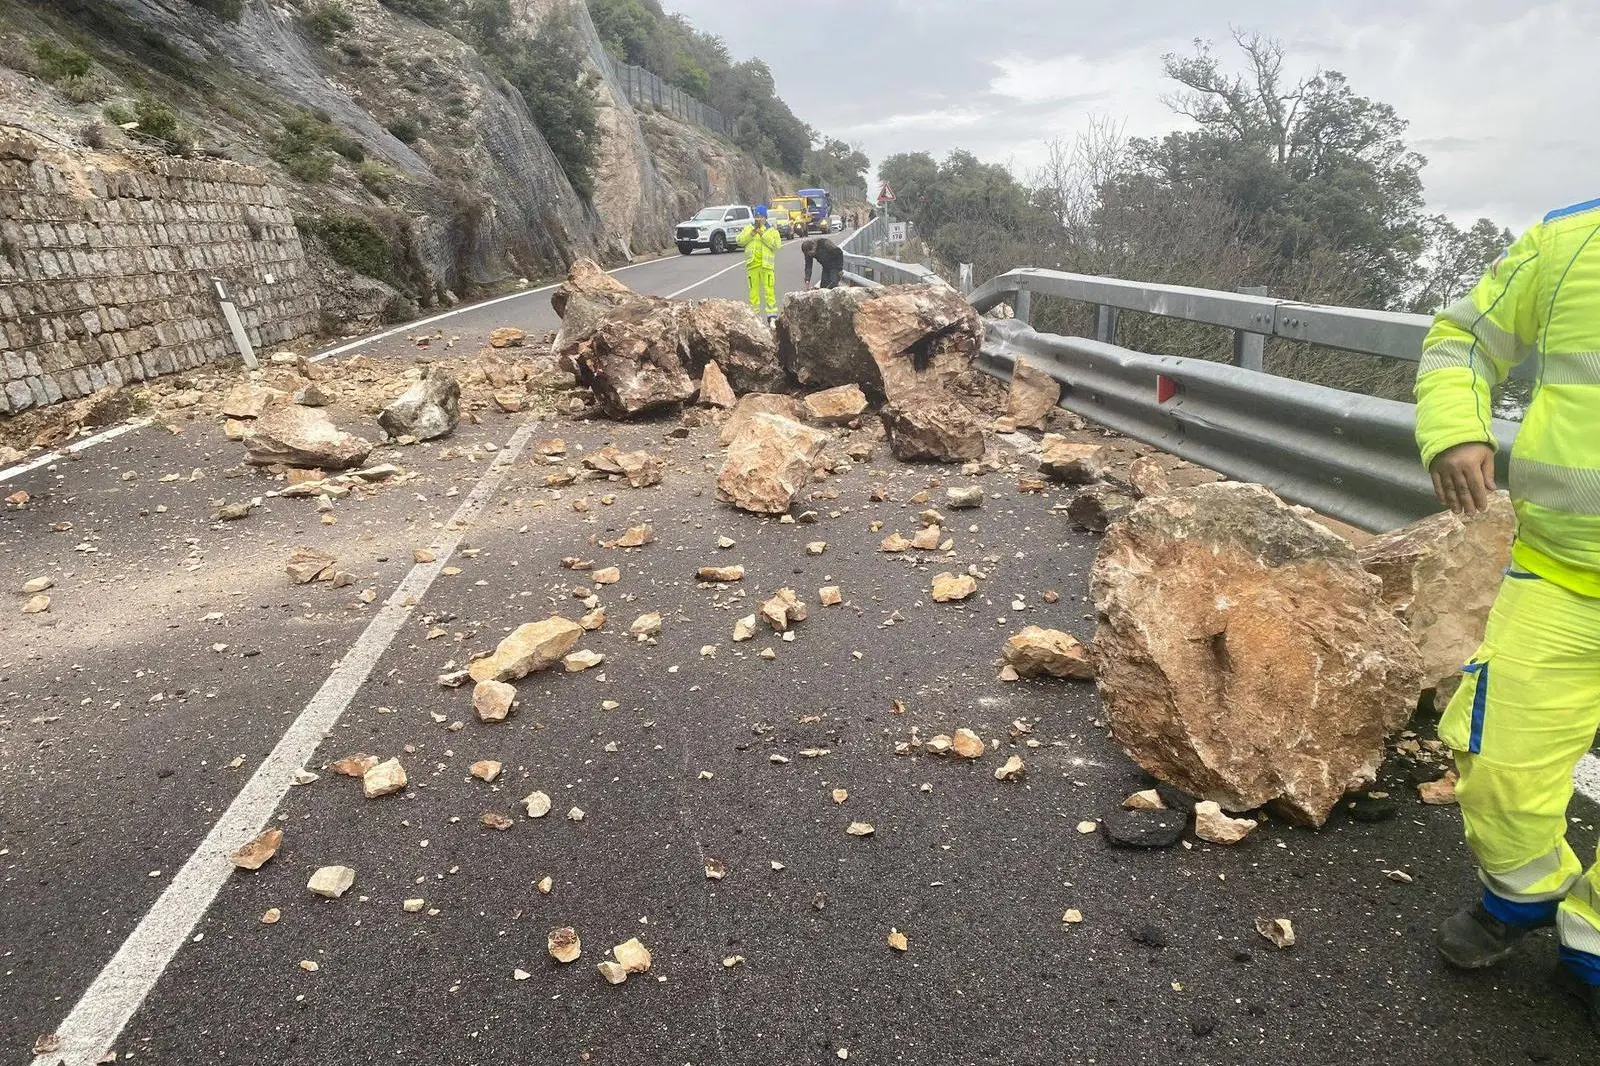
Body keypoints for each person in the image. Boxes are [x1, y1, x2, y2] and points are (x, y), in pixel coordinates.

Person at [1417, 195, 1600, 1032]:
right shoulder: (1571, 240)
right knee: (1496, 762)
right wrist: (1457, 428)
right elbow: (1459, 338)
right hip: (1561, 573)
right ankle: (1524, 894)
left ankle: (1591, 940)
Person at [737, 205, 781, 323]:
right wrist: (752, 233)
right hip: (752, 265)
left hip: (767, 266)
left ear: (765, 217)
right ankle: (755, 317)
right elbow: (739, 241)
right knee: (753, 293)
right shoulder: (748, 228)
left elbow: (776, 245)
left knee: (769, 292)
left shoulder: (771, 230)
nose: (759, 219)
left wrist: (762, 234)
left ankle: (772, 316)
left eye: (761, 216)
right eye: (757, 216)